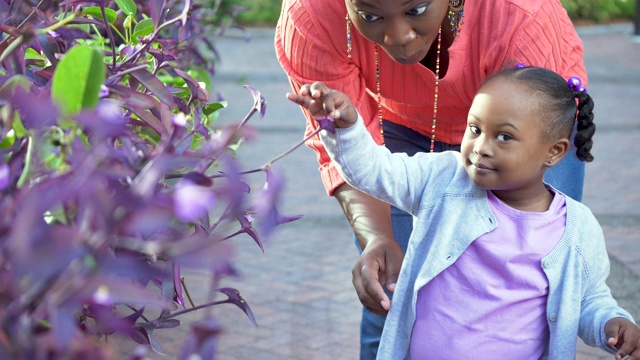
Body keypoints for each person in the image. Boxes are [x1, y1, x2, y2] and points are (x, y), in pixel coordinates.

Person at [275, 0, 589, 356]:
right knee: (393, 292)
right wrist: (377, 237)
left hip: (522, 132)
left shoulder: (520, 14)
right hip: (400, 125)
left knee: (529, 285)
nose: (399, 37)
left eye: (416, 9)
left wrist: (606, 318)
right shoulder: (311, 13)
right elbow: (352, 155)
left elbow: (579, 291)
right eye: (371, 16)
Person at [286, 65, 640, 359]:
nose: (480, 147)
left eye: (504, 137)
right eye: (475, 128)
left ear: (554, 151)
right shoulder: (444, 179)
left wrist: (612, 322)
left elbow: (591, 298)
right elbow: (375, 172)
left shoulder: (576, 229)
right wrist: (345, 129)